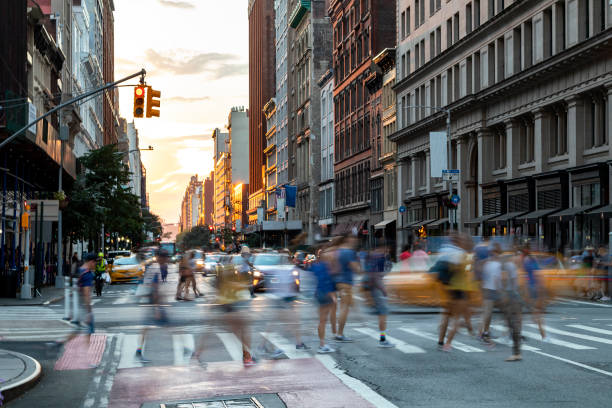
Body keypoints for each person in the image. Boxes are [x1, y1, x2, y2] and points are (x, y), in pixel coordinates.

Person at [136, 249, 169, 362]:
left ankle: (139, 351)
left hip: (151, 301)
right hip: (153, 302)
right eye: (165, 258)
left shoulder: (154, 267)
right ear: (160, 258)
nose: (166, 260)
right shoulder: (156, 268)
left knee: (146, 327)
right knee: (171, 324)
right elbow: (155, 289)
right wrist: (157, 308)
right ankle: (185, 348)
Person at [60, 252, 97, 345]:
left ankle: (58, 344)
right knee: (88, 331)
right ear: (92, 262)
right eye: (95, 262)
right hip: (84, 308)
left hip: (77, 306)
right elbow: (86, 293)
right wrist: (89, 311)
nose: (96, 264)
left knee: (77, 331)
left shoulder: (79, 270)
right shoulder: (88, 274)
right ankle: (87, 355)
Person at [363, 246, 395, 348]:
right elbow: (377, 277)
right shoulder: (380, 258)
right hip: (377, 289)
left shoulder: (371, 258)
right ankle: (383, 339)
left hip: (372, 288)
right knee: (383, 314)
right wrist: (383, 289)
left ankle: (383, 338)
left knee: (382, 313)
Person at [334, 235, 361, 343]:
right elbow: (355, 268)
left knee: (345, 307)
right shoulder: (348, 252)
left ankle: (339, 333)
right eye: (354, 240)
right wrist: (359, 268)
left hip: (339, 282)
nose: (355, 242)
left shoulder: (338, 251)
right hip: (345, 282)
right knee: (344, 308)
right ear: (349, 239)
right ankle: (339, 334)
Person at [311, 245, 337, 353]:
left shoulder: (316, 265)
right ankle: (322, 345)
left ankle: (322, 343)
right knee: (323, 320)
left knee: (322, 320)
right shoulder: (326, 266)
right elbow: (325, 282)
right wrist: (332, 296)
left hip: (318, 294)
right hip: (325, 294)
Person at [501, 252, 522, 361]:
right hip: (514, 295)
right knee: (513, 323)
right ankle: (517, 351)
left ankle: (516, 353)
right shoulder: (513, 266)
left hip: (510, 295)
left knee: (512, 323)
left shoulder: (508, 266)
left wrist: (505, 294)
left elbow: (505, 280)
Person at [479, 243, 502, 344]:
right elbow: (497, 279)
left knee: (488, 312)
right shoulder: (496, 264)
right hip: (492, 290)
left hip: (486, 289)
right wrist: (499, 291)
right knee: (488, 313)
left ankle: (485, 331)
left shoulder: (487, 263)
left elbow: (482, 277)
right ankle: (483, 332)